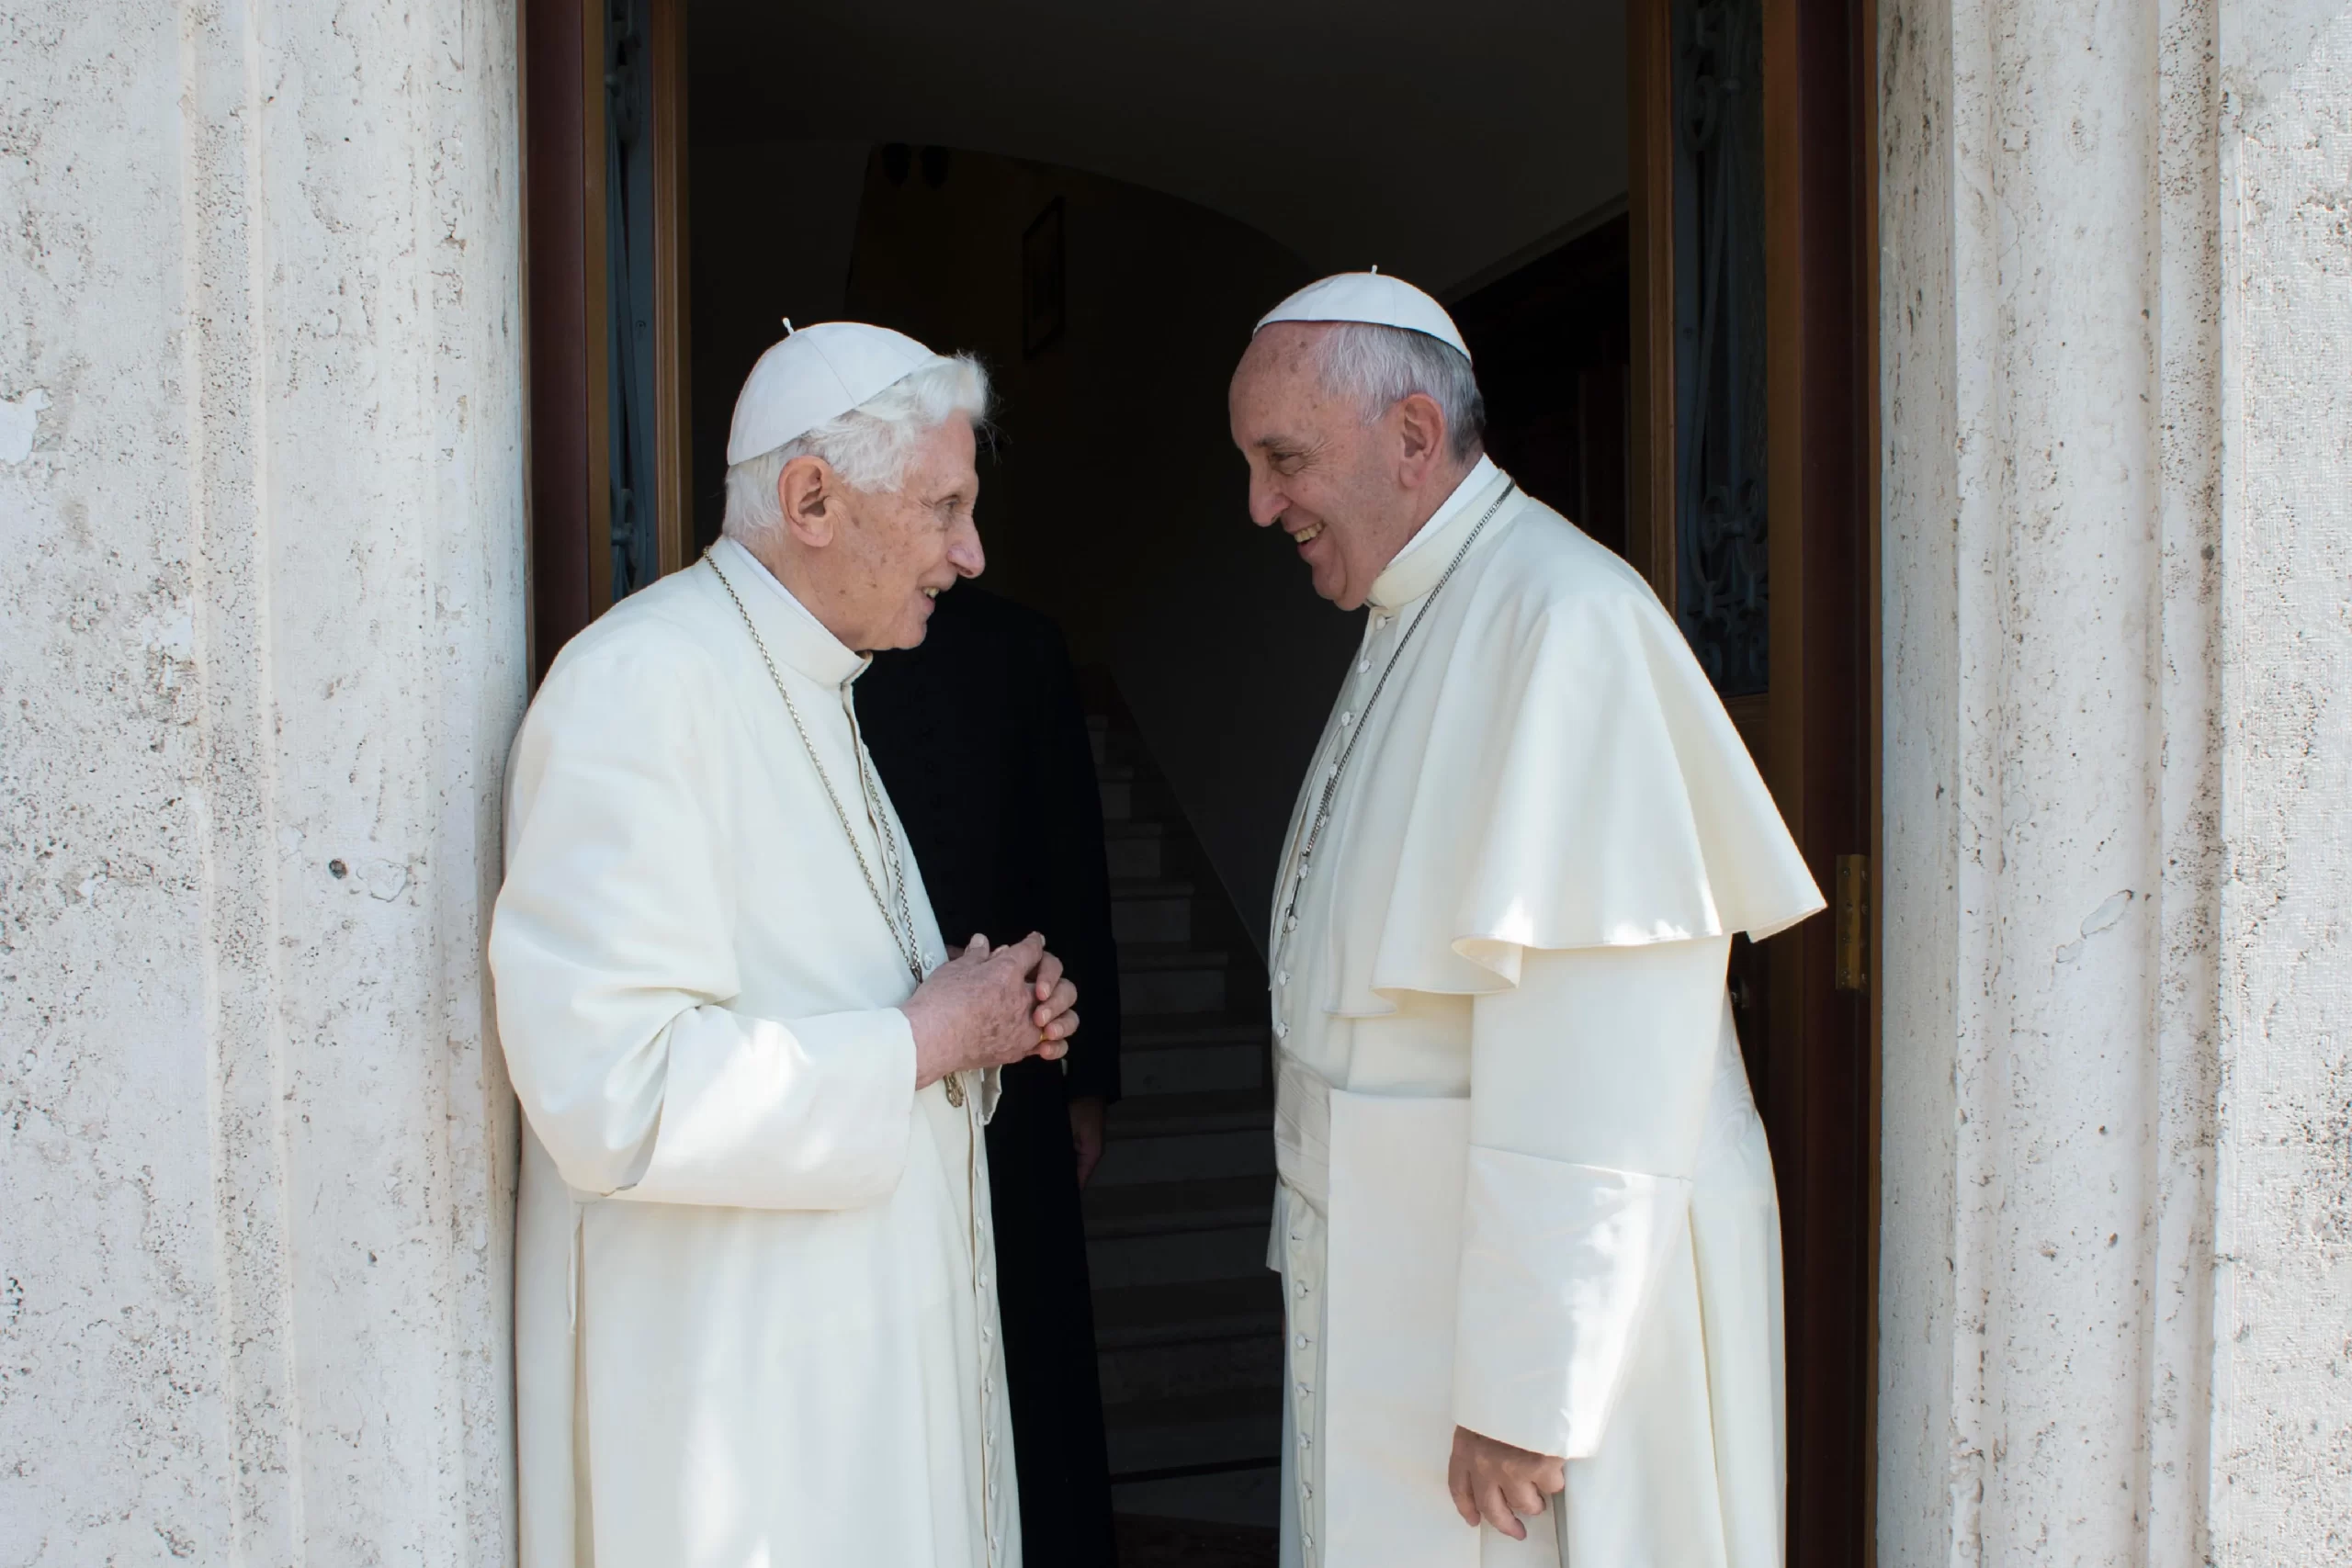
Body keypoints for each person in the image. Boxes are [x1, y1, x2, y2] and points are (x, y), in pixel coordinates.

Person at [1227, 274, 1824, 1568]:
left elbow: (1602, 1047)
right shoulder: (1423, 608)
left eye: (1284, 461)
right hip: (1409, 1277)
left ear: (1411, 438)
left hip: (1538, 1345)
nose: (1262, 504)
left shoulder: (1567, 619)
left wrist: (1525, 1386)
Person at [491, 322, 1079, 1568]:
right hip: (748, 1422)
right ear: (813, 496)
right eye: (943, 509)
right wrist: (924, 1038)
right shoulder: (642, 684)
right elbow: (614, 1089)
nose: (970, 555)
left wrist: (981, 1016)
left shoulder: (809, 682)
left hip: (845, 1390)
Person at [858, 583, 1124, 1568]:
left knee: (1033, 1349)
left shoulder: (1025, 644)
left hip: (1021, 1072)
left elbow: (1069, 864)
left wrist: (1085, 1078)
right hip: (866, 1078)